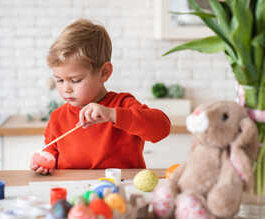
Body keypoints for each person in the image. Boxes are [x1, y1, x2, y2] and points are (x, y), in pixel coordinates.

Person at [30, 18, 171, 174]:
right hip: (73, 191)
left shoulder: (122, 105)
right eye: (59, 80)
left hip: (120, 190)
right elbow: (52, 148)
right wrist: (46, 159)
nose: (66, 89)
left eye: (75, 80)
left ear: (104, 73)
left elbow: (162, 128)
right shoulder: (58, 116)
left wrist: (112, 114)